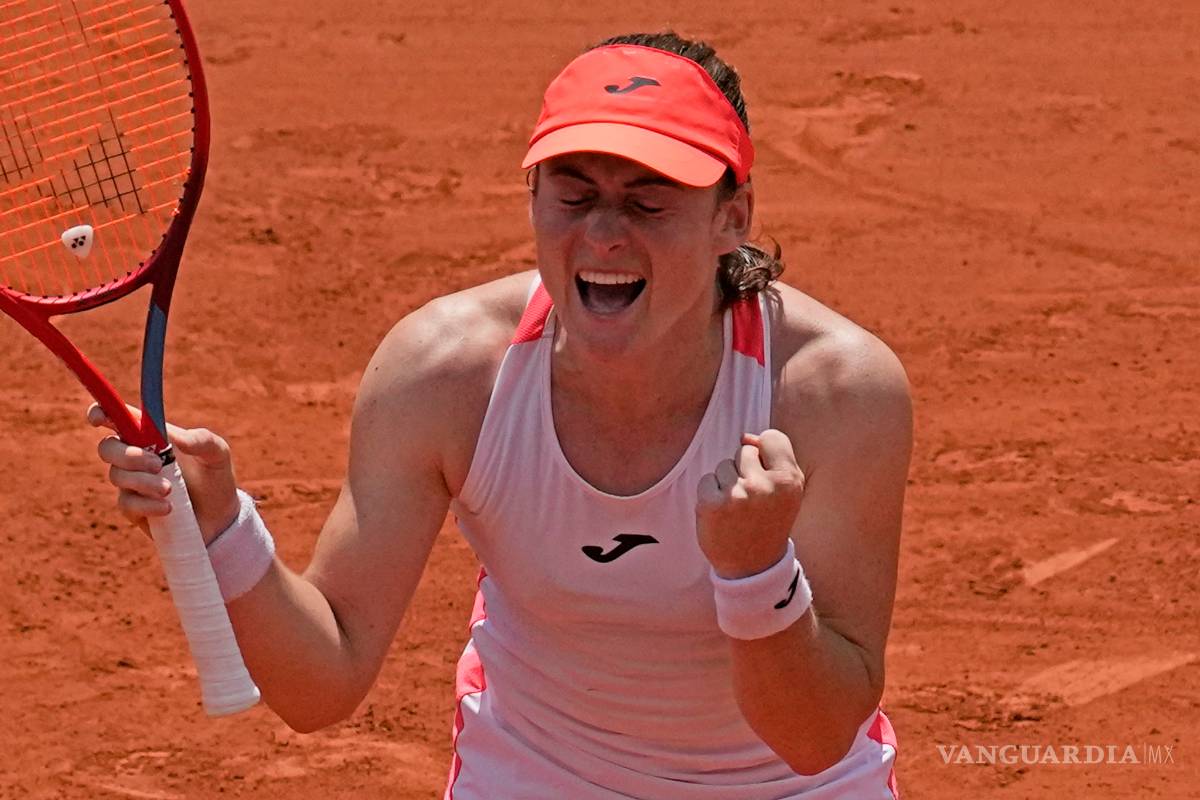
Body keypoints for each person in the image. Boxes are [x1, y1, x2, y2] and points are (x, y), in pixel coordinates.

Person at [93, 31, 911, 799]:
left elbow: (815, 737)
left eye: (647, 202)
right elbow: (323, 682)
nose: (602, 234)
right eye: (573, 193)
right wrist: (223, 529)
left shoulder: (834, 392)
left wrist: (755, 572)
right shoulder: (446, 375)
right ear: (533, 196)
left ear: (733, 217)